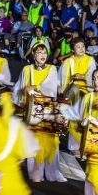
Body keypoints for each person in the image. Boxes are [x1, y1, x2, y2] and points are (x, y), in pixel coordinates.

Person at [13, 43, 65, 183]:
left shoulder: (52, 68)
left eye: (44, 52)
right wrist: (23, 98)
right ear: (33, 54)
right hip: (33, 112)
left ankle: (52, 172)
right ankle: (35, 173)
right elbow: (19, 88)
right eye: (39, 52)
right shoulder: (27, 69)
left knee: (51, 139)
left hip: (48, 110)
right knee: (34, 139)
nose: (43, 55)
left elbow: (51, 87)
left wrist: (34, 87)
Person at [59, 37, 97, 102]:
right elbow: (59, 78)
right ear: (73, 50)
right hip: (71, 90)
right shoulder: (68, 61)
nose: (82, 49)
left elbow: (94, 78)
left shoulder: (90, 60)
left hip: (86, 90)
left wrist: (83, 77)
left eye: (83, 46)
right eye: (78, 47)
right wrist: (59, 87)